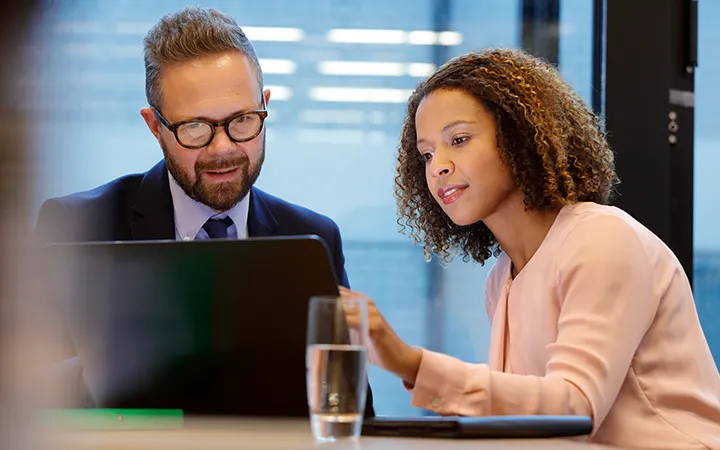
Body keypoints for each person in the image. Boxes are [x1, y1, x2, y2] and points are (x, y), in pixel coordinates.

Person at [341, 49, 720, 449]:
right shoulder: (501, 278)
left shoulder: (603, 239)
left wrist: (410, 363)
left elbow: (574, 411)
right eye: (428, 153)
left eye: (460, 139)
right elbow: (522, 423)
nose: (438, 166)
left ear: (519, 136)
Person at [33, 6, 374, 416]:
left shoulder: (314, 235)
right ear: (155, 127)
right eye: (195, 127)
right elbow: (25, 393)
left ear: (264, 106)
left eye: (242, 121)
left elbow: (347, 410)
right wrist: (115, 362)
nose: (224, 148)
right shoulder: (78, 225)